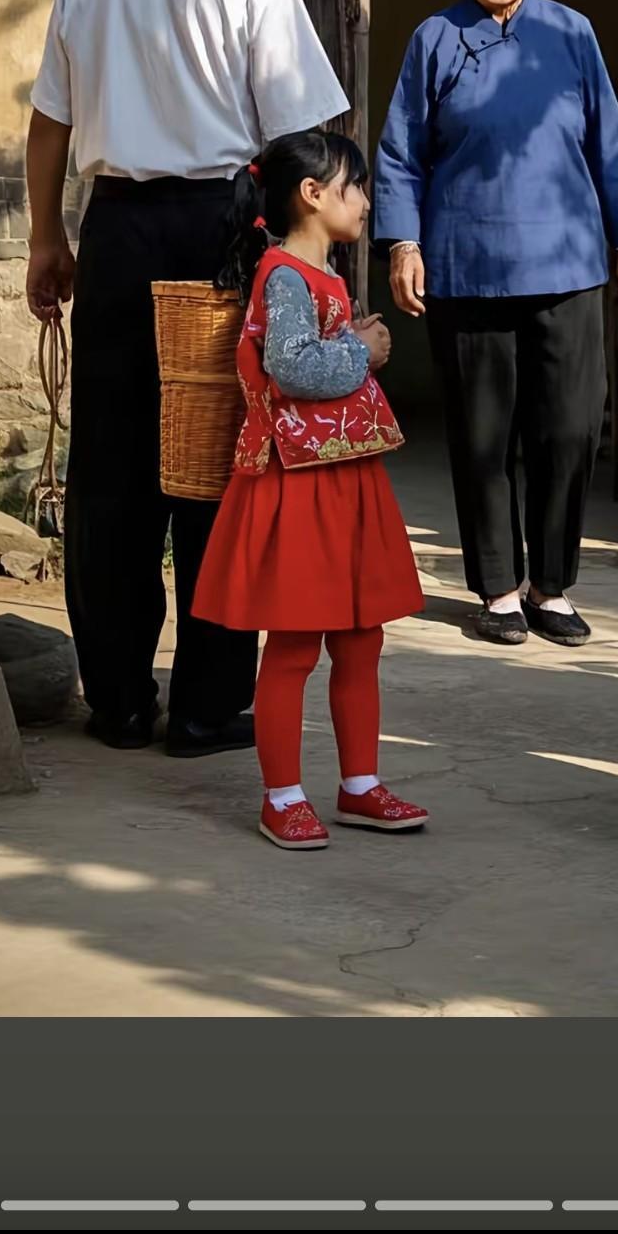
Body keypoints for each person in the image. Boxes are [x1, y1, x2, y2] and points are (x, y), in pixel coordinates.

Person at [25, 0, 351, 756]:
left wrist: (50, 239)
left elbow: (50, 125)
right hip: (224, 233)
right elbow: (302, 141)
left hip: (119, 232)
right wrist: (307, 269)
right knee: (218, 470)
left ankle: (119, 699)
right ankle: (209, 706)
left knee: (113, 471)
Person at [371, 0, 618, 648]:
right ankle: (497, 588)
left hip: (568, 261)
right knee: (482, 432)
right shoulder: (435, 39)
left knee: (566, 430)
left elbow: (609, 145)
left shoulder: (572, 34)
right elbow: (400, 153)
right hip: (467, 264)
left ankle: (551, 586)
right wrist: (404, 243)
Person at [192, 129, 426, 851]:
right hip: (299, 486)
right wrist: (363, 349)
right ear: (313, 195)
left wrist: (351, 341)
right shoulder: (284, 276)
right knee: (294, 644)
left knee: (360, 639)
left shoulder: (320, 276)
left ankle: (359, 784)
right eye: (354, 187)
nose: (364, 200)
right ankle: (282, 795)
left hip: (344, 479)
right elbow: (294, 368)